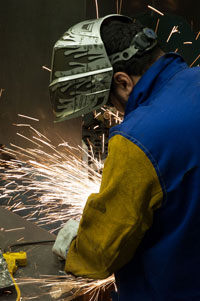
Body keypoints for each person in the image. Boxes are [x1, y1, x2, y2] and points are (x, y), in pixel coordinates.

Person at [51, 15, 200, 300]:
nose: (116, 112)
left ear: (122, 82)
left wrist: (77, 244)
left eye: (110, 102)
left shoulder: (139, 138)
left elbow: (98, 258)